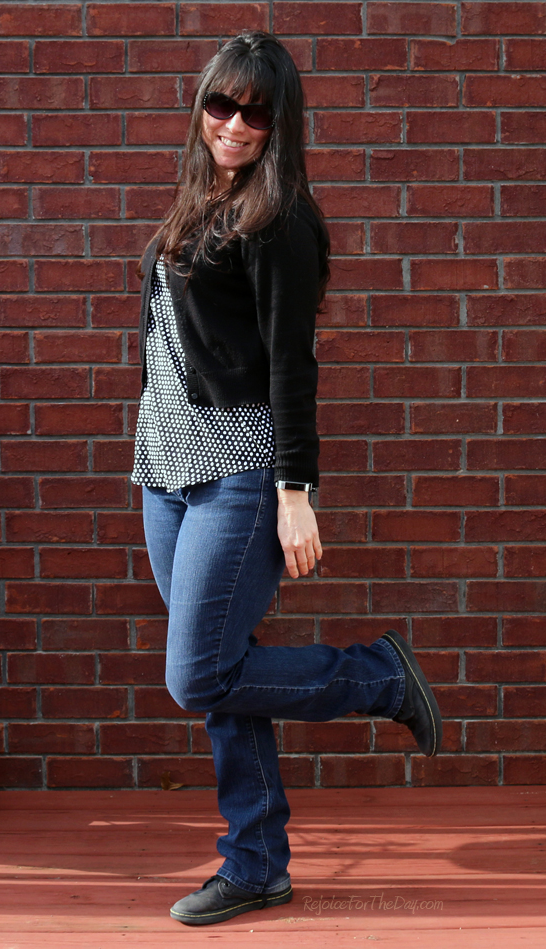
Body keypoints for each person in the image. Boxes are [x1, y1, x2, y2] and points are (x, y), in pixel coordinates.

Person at [132, 30, 442, 928]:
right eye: (221, 104)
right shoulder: (200, 199)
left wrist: (294, 490)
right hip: (166, 467)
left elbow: (292, 365)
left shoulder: (281, 219)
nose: (234, 124)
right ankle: (257, 864)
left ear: (281, 123)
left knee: (199, 675)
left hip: (240, 467)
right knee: (227, 671)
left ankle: (379, 677)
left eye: (255, 112)